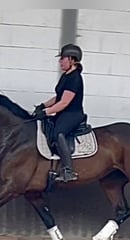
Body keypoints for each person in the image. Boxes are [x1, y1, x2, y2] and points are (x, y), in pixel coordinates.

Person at [32, 43, 86, 183]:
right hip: (63, 113)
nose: (60, 61)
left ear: (72, 60)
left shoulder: (75, 78)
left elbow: (64, 103)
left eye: (63, 58)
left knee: (58, 133)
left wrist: (46, 112)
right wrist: (43, 105)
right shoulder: (65, 76)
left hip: (73, 114)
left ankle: (68, 170)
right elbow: (58, 97)